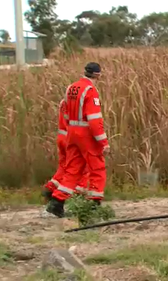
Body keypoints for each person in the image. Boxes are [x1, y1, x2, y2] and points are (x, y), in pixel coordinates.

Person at [46, 62, 110, 218]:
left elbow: (65, 114)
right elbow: (94, 121)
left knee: (73, 169)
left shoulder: (71, 88)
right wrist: (104, 142)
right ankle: (94, 204)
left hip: (71, 133)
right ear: (97, 75)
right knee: (97, 168)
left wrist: (72, 131)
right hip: (86, 134)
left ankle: (57, 201)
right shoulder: (91, 91)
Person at [41, 98, 90, 204]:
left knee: (64, 166)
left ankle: (51, 187)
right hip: (72, 138)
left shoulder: (65, 101)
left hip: (62, 137)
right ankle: (78, 194)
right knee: (81, 167)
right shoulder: (80, 102)